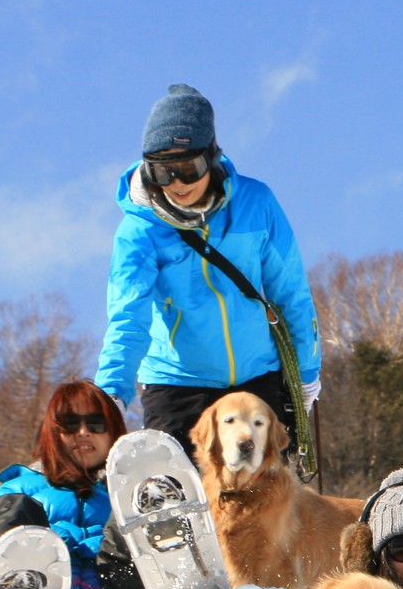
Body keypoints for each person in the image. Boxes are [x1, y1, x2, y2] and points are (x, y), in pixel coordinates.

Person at [95, 82, 321, 462]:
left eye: (189, 169)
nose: (177, 184)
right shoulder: (139, 231)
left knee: (264, 501)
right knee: (182, 501)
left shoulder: (255, 203)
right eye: (163, 172)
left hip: (256, 377)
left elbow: (290, 291)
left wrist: (306, 372)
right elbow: (127, 315)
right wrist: (112, 392)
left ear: (212, 158)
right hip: (176, 383)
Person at [0, 379, 149, 589]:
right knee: (13, 506)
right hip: (43, 587)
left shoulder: (127, 489)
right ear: (53, 434)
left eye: (96, 424)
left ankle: (179, 569)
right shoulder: (20, 488)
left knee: (142, 505)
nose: (83, 433)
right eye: (70, 425)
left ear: (114, 433)